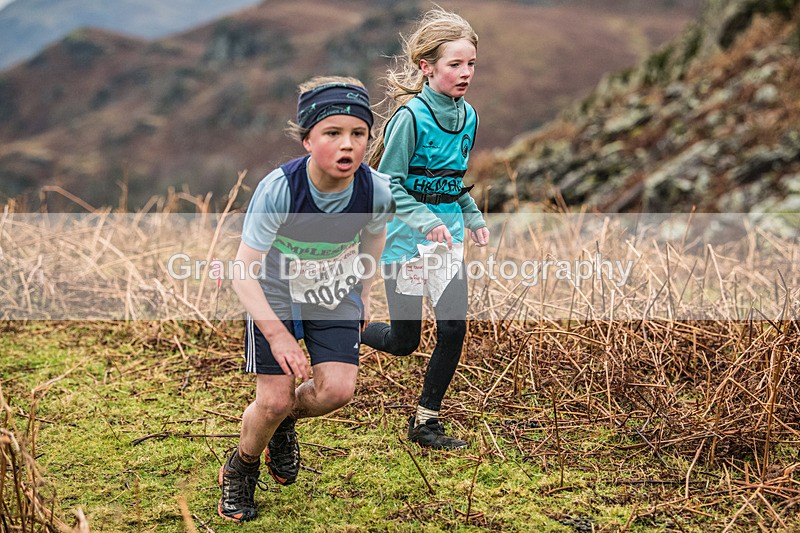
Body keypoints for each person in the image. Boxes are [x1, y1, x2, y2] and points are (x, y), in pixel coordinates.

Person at [218, 76, 394, 522]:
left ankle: (282, 426)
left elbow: (375, 238)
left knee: (337, 391)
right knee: (273, 401)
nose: (348, 144)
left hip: (333, 288)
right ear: (308, 140)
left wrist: (364, 293)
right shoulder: (280, 189)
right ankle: (241, 467)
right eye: (332, 132)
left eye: (358, 133)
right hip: (273, 289)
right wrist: (278, 336)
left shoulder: (376, 189)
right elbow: (243, 270)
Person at [362, 8, 490, 449]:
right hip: (405, 240)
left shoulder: (469, 117)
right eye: (455, 64)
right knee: (404, 341)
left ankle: (425, 422)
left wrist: (472, 217)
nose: (465, 72)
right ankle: (345, 326)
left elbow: (453, 181)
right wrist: (425, 220)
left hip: (447, 238)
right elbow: (388, 185)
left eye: (471, 63)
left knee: (454, 329)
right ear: (427, 67)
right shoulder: (411, 119)